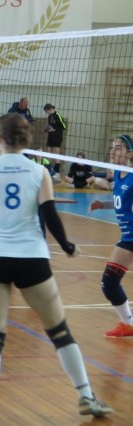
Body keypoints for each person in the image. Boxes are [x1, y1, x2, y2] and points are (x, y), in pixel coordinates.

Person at [0, 114, 112, 424]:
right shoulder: (39, 172)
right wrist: (67, 246)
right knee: (60, 332)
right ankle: (86, 396)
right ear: (27, 140)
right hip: (32, 257)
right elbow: (50, 216)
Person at [89, 135, 133, 338]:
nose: (112, 152)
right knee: (109, 283)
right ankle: (128, 324)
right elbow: (121, 203)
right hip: (128, 237)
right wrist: (103, 204)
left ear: (130, 154)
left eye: (118, 148)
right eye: (112, 147)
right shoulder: (117, 173)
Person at [44, 103, 68, 177]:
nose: (46, 113)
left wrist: (54, 129)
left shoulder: (58, 116)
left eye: (46, 111)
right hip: (50, 136)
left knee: (56, 153)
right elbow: (50, 126)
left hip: (57, 136)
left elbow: (63, 127)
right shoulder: (49, 116)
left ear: (50, 109)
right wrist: (46, 129)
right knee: (48, 153)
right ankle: (49, 170)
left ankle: (57, 173)